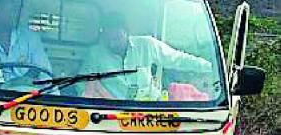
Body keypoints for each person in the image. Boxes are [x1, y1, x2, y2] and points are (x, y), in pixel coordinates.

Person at [79, 13, 212, 101]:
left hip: (150, 109)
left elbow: (177, 59)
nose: (113, 43)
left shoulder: (147, 44)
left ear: (127, 32)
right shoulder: (95, 53)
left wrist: (209, 66)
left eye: (117, 38)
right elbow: (83, 85)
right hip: (115, 111)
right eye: (108, 39)